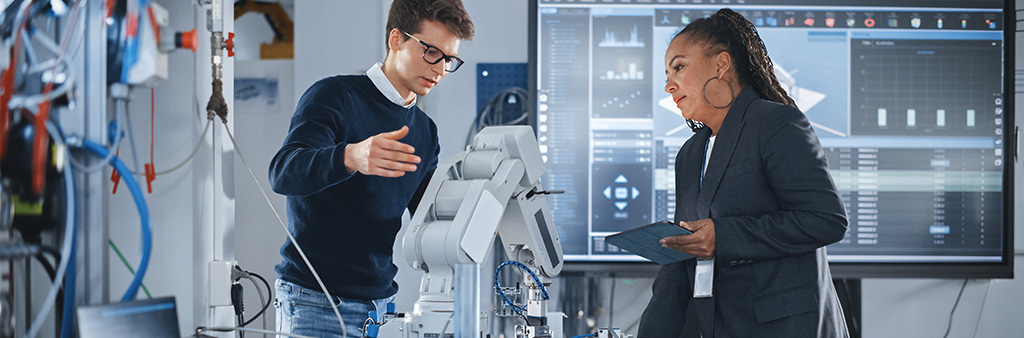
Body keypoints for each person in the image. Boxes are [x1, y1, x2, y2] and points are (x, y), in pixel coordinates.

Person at [637, 8, 849, 338]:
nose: (669, 85)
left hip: (787, 328)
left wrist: (723, 236)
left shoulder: (777, 124)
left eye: (679, 67)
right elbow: (680, 268)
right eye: (667, 74)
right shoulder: (690, 154)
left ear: (721, 65)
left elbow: (826, 219)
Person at [267, 1, 473, 337]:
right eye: (432, 52)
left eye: (449, 59)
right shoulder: (335, 95)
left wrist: (475, 217)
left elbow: (427, 216)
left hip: (379, 308)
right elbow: (283, 172)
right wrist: (351, 156)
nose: (440, 68)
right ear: (396, 39)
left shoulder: (425, 131)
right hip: (314, 303)